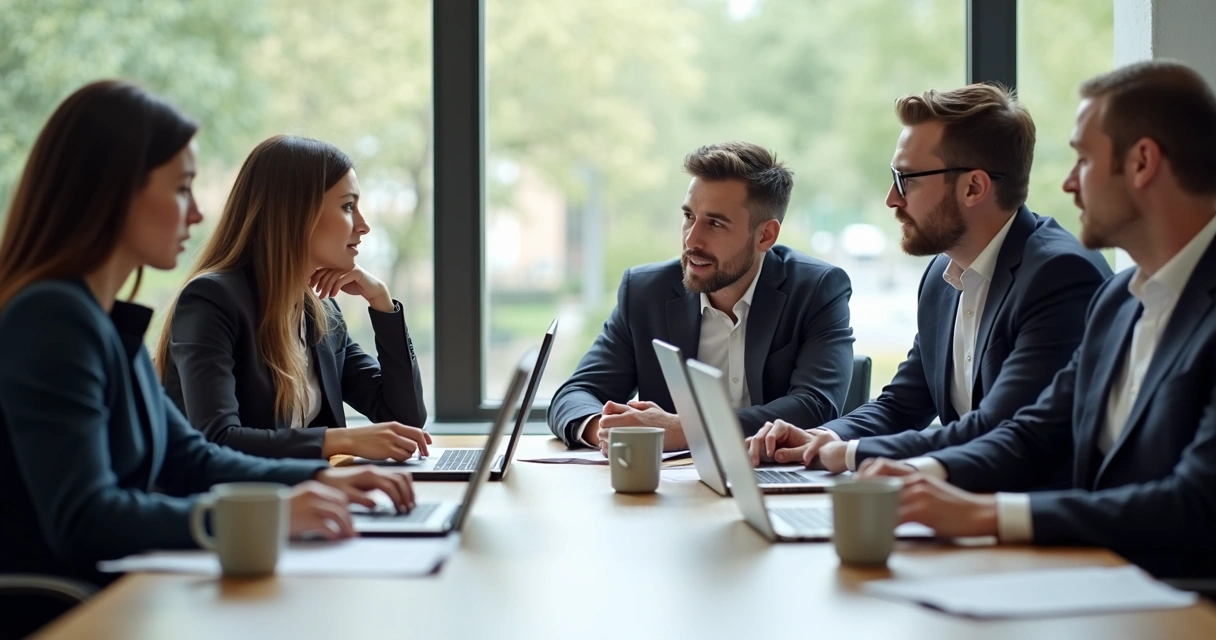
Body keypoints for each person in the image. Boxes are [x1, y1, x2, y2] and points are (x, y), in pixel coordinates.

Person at [0, 81, 415, 633]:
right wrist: (273, 512)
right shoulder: (51, 318)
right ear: (112, 193)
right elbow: (86, 517)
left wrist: (317, 478)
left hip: (133, 594)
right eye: (181, 189)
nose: (196, 214)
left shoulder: (102, 319)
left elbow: (192, 457)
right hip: (75, 612)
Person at [859, 60, 1216, 580]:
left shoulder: (1073, 276)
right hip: (1097, 580)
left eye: (1083, 160)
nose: (1069, 183)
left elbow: (1196, 503)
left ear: (1142, 163)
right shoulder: (1118, 302)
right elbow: (1033, 432)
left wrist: (987, 514)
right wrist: (920, 475)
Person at [746, 84, 1111, 473]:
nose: (892, 198)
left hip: (1030, 504)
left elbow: (998, 428)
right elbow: (903, 404)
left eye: (907, 179)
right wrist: (826, 437)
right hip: (958, 498)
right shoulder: (942, 274)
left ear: (973, 187)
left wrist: (852, 453)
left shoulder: (1059, 275)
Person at [548, 141, 854, 452]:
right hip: (671, 481)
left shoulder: (816, 290)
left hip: (774, 475)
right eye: (688, 216)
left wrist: (686, 431)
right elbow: (575, 395)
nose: (692, 240)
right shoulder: (644, 292)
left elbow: (816, 406)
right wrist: (608, 429)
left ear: (765, 235)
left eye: (715, 224)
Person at [157, 135, 430, 461]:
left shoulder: (321, 312)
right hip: (231, 495)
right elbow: (217, 439)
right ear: (297, 214)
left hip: (306, 490)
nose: (364, 225)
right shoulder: (211, 301)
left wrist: (383, 304)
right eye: (348, 206)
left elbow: (405, 420)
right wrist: (342, 440)